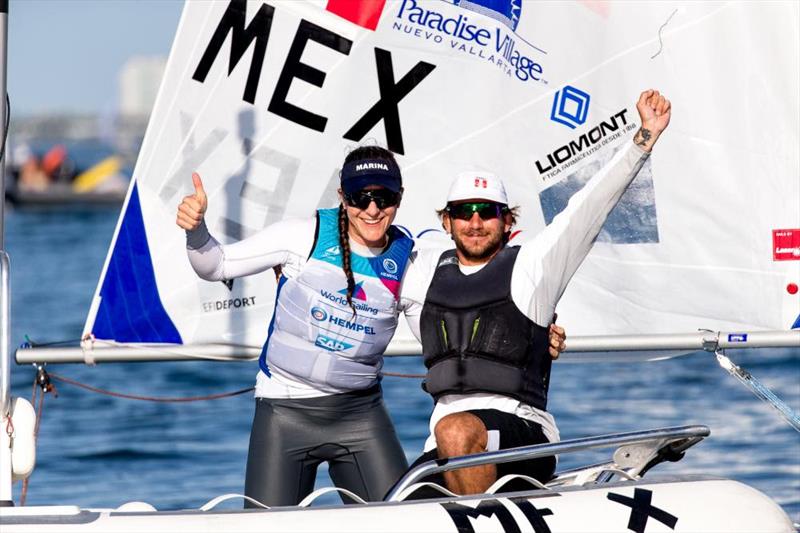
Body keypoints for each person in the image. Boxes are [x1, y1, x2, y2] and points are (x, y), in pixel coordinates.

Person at [176, 146, 571, 506]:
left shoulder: (410, 257)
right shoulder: (301, 236)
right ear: (342, 198)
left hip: (359, 417)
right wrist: (196, 231)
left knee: (404, 520)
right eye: (359, 197)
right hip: (284, 413)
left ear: (398, 200)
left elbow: (459, 317)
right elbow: (217, 265)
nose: (371, 209)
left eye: (383, 198)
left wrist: (535, 335)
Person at [399, 89, 671, 495]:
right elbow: (362, 245)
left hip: (523, 436)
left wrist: (644, 137)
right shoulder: (419, 274)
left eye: (488, 212)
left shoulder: (534, 266)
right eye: (463, 212)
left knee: (456, 430)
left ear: (507, 221)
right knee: (392, 499)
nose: (475, 223)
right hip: (442, 446)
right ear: (446, 221)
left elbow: (590, 205)